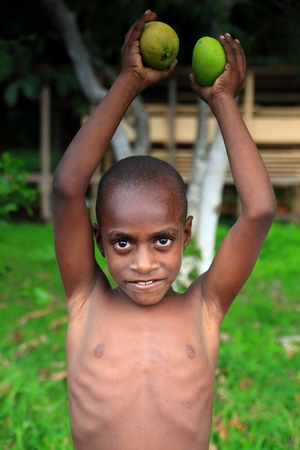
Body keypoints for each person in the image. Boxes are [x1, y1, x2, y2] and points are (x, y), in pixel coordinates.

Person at [52, 10, 276, 450]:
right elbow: (66, 189)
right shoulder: (86, 299)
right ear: (97, 241)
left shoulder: (204, 308)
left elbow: (259, 211)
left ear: (186, 235)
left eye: (162, 239)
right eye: (122, 242)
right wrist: (129, 82)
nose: (143, 262)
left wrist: (224, 101)